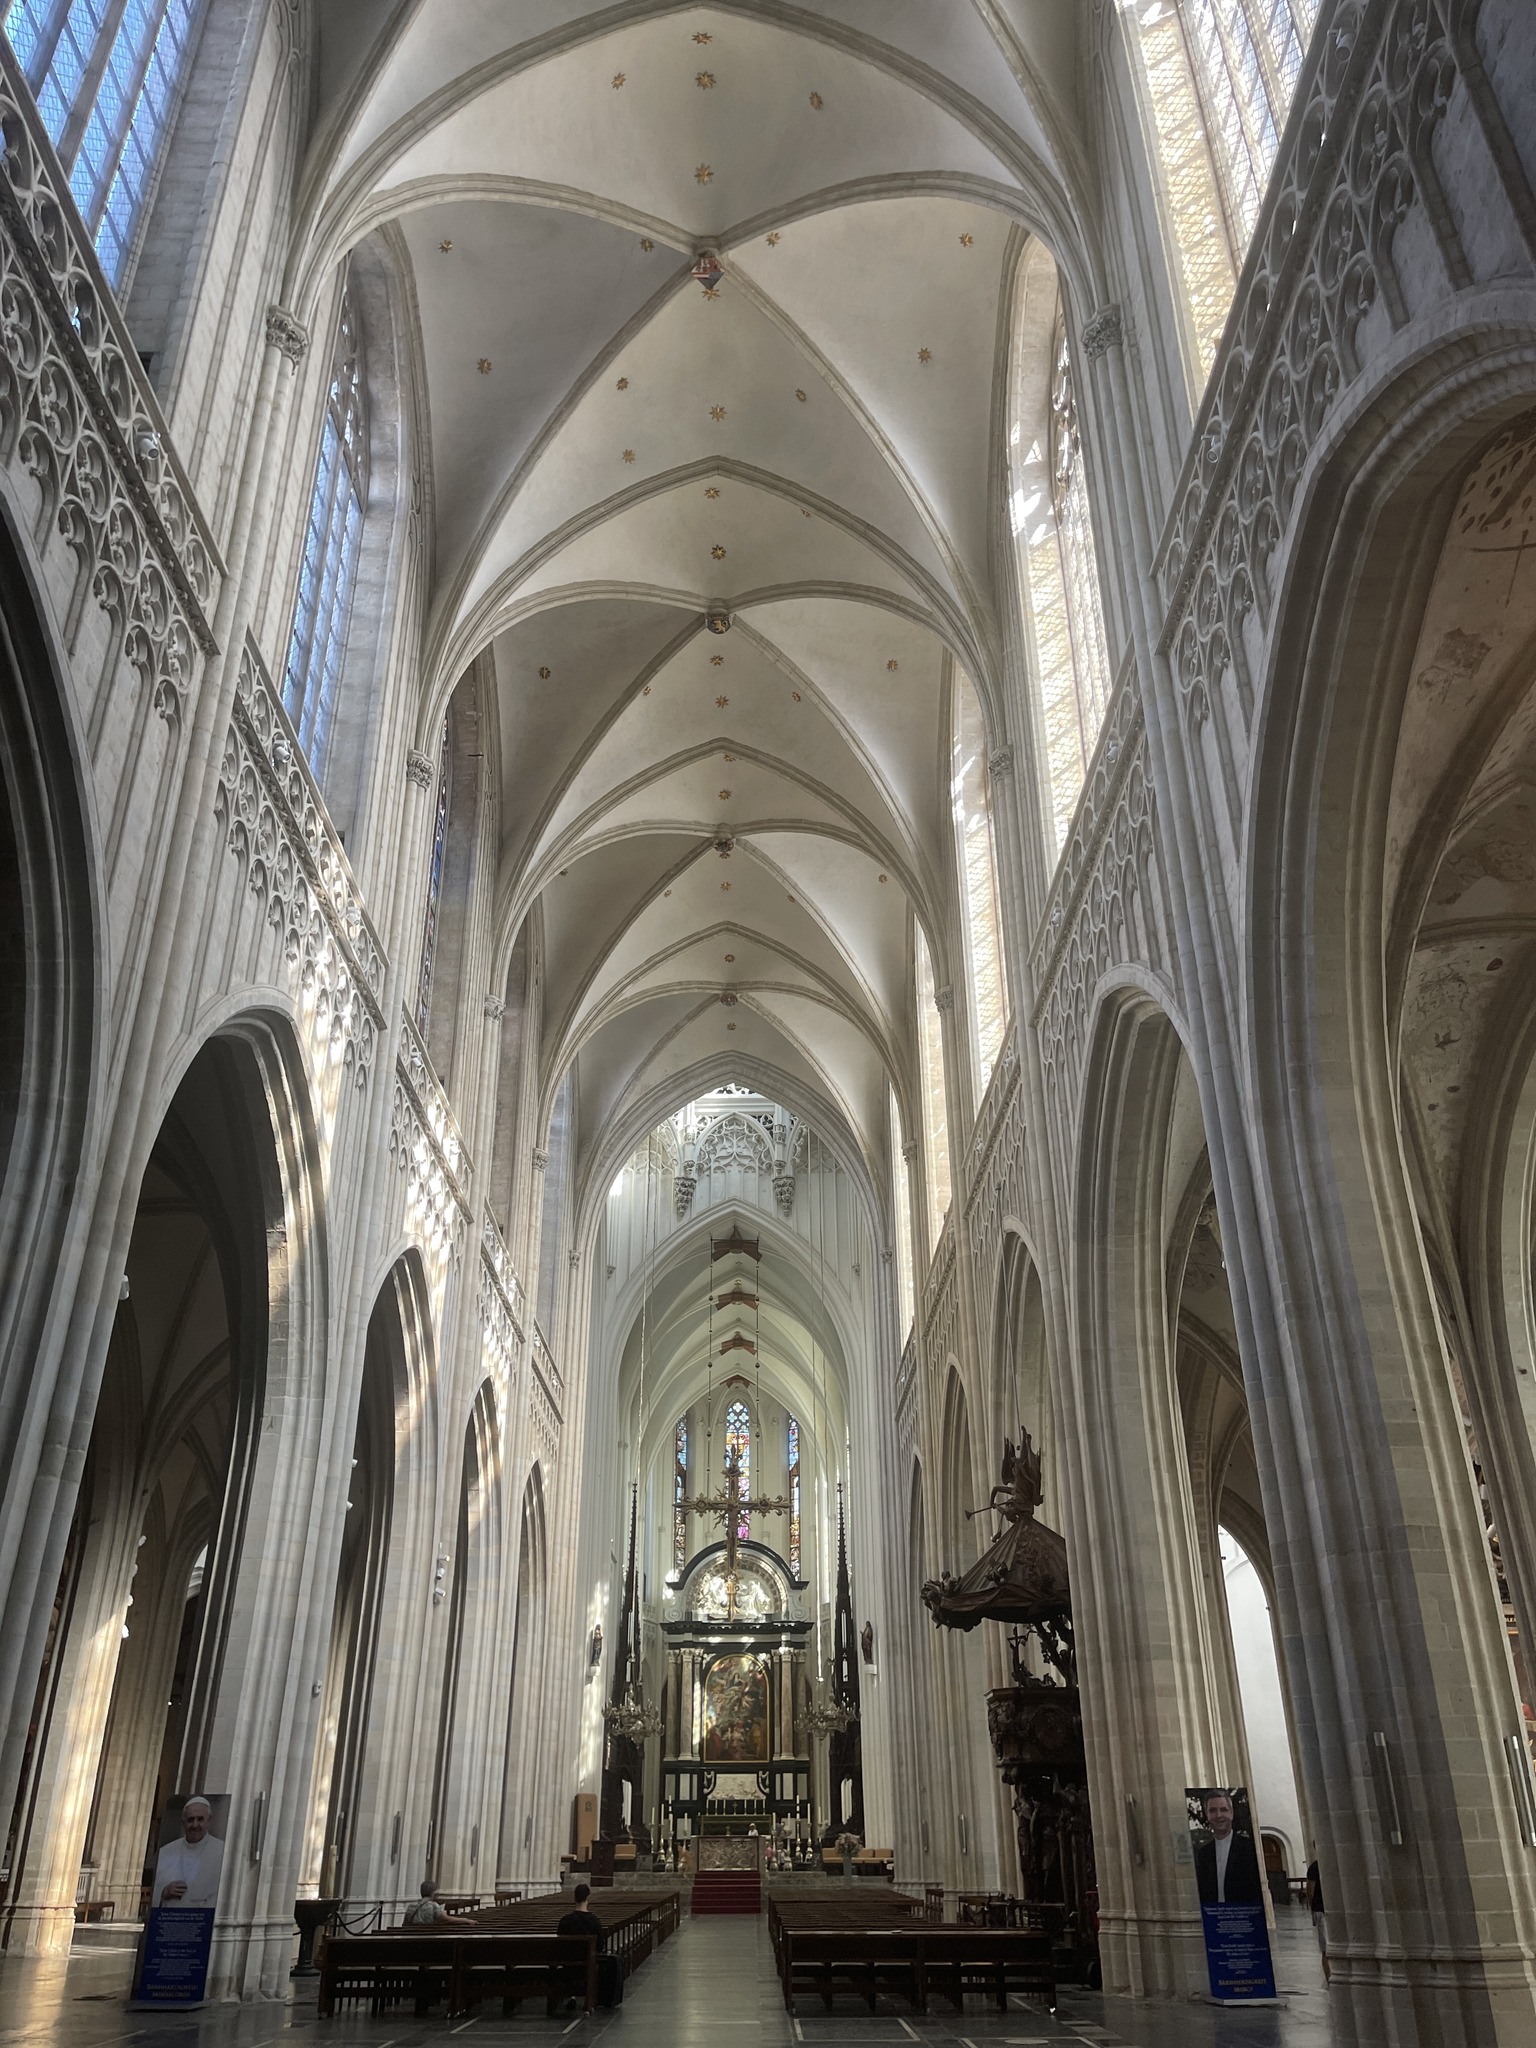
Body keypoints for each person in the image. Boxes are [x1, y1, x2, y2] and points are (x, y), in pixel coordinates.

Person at [151, 1796, 225, 1909]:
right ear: (183, 1822)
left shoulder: (222, 1851)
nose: (195, 1825)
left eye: (200, 1819)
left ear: (209, 1821)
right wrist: (164, 1892)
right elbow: (155, 1891)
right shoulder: (166, 1851)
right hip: (170, 1919)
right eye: (190, 1820)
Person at [557, 1882, 623, 2008]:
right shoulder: (594, 1921)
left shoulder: (565, 1920)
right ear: (588, 1898)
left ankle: (571, 1996)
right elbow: (600, 1947)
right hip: (588, 1966)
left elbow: (559, 1944)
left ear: (574, 1898)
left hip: (567, 1966)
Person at [1194, 1791, 1263, 1905]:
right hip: (1213, 1916)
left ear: (1231, 1813)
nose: (1219, 1815)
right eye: (1212, 1810)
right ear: (1207, 1815)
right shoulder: (1203, 1853)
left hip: (1243, 1916)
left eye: (1223, 1809)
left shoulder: (1249, 1848)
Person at [1306, 1858, 1330, 1982]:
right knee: (1326, 1949)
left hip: (1323, 1909)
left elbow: (1310, 1890)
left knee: (1327, 1948)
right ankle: (1330, 1979)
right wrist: (1313, 1910)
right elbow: (1310, 1890)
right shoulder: (1315, 1867)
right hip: (1321, 1910)